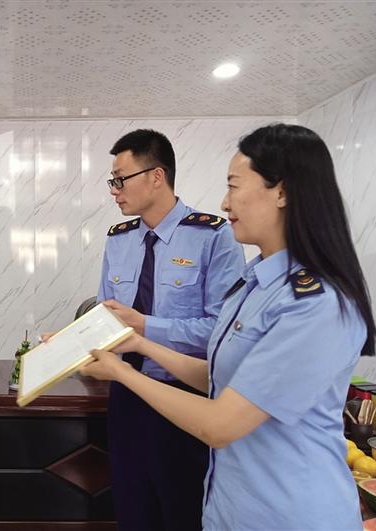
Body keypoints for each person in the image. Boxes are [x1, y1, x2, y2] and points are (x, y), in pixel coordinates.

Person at [82, 124, 376, 530]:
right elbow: (219, 375)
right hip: (229, 506)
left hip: (288, 513)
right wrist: (137, 344)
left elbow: (220, 424)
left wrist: (122, 370)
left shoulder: (317, 303)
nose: (224, 201)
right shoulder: (253, 283)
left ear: (282, 191)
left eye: (234, 186)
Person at [97, 128, 244, 530]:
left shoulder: (213, 236)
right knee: (133, 512)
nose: (114, 191)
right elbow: (104, 319)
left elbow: (221, 333)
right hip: (126, 397)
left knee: (183, 513)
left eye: (120, 179)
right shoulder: (118, 240)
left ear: (156, 176)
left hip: (185, 399)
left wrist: (145, 327)